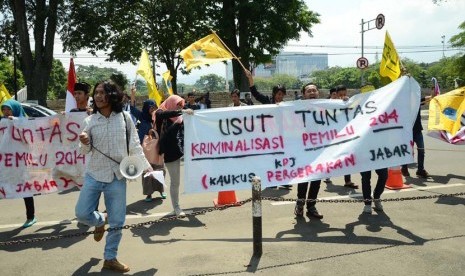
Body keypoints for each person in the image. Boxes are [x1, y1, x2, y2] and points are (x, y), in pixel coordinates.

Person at [75, 80, 152, 273]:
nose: (98, 96)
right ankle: (101, 220)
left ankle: (110, 258)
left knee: (118, 221)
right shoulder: (89, 121)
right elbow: (84, 151)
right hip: (94, 174)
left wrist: (147, 168)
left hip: (118, 176)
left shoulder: (125, 118)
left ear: (112, 95)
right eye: (96, 93)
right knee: (82, 213)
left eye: (103, 93)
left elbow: (134, 145)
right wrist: (84, 142)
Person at [245, 69, 290, 189]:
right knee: (270, 159)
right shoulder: (267, 101)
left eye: (282, 94)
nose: (280, 96)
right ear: (274, 93)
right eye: (278, 94)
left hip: (282, 136)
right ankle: (271, 181)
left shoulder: (286, 106)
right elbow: (255, 93)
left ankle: (283, 179)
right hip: (268, 136)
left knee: (282, 158)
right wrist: (250, 78)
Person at [154, 95, 193, 216]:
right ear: (171, 103)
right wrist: (181, 111)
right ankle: (176, 208)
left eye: (181, 104)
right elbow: (162, 115)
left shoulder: (180, 116)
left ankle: (176, 206)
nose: (181, 107)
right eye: (178, 104)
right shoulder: (161, 113)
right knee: (175, 182)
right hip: (170, 152)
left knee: (178, 182)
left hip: (181, 150)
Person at [1, 99, 37, 228]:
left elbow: (30, 139)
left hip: (20, 161)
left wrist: (16, 123)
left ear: (15, 109)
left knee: (25, 189)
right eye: (3, 109)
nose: (6, 112)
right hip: (5, 162)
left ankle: (31, 216)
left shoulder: (23, 122)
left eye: (8, 109)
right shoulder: (2, 123)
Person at [128, 86, 166, 201]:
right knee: (147, 172)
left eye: (154, 107)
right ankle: (149, 194)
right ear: (146, 108)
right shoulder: (142, 116)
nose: (152, 109)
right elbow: (132, 108)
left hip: (158, 149)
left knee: (160, 170)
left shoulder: (158, 118)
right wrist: (133, 93)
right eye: (150, 107)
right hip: (144, 150)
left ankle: (161, 191)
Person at [294, 83, 323, 219]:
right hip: (303, 149)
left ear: (318, 93)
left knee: (316, 179)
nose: (312, 92)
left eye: (314, 90)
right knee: (304, 178)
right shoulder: (295, 107)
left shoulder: (326, 106)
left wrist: (345, 102)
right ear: (303, 95)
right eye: (308, 91)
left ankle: (311, 206)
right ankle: (300, 205)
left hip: (320, 149)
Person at [401, 91, 434, 178]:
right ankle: (404, 168)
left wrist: (433, 95)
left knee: (421, 151)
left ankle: (420, 170)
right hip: (407, 132)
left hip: (418, 131)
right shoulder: (403, 104)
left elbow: (427, 99)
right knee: (408, 151)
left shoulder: (417, 102)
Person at [335, 85, 358, 189]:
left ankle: (348, 181)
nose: (343, 96)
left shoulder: (349, 102)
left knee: (347, 157)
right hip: (333, 136)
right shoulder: (331, 103)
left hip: (346, 134)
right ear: (336, 94)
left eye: (344, 94)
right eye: (340, 95)